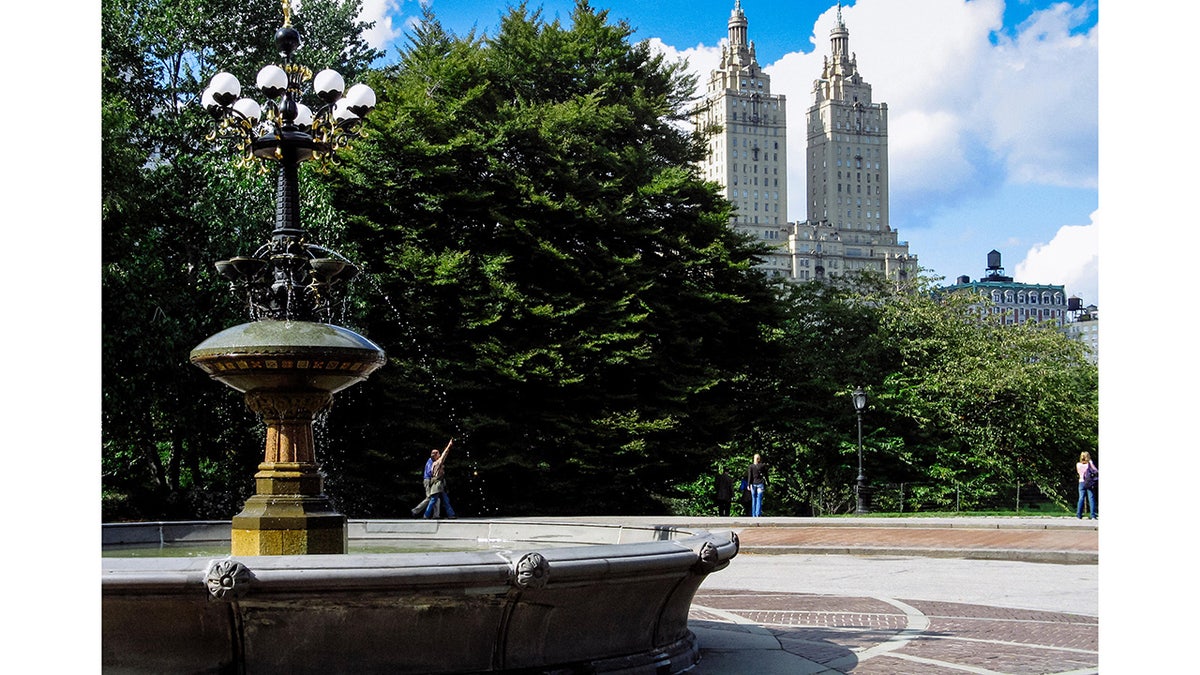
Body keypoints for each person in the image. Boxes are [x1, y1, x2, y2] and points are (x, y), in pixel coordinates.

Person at [423, 438, 457, 519]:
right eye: (438, 453)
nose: (440, 454)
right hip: (438, 484)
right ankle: (426, 515)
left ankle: (451, 514)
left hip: (439, 483)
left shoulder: (434, 463)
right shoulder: (438, 462)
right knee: (433, 500)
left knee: (445, 499)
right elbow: (445, 454)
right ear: (435, 455)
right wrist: (449, 445)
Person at [1075, 451, 1098, 520]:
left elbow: (1078, 472)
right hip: (1089, 483)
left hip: (1081, 482)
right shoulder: (1089, 464)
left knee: (1081, 498)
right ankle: (1093, 515)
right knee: (1091, 498)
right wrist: (1091, 463)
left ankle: (1079, 515)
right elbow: (1096, 471)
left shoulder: (1078, 464)